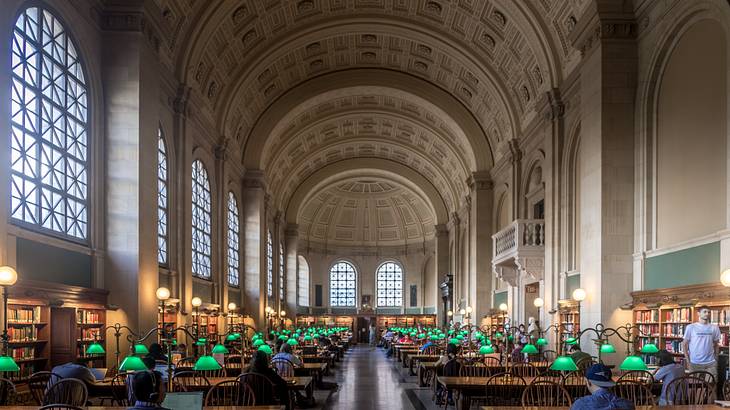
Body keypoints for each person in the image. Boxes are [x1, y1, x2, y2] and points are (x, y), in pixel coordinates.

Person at [682, 305, 721, 381]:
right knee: (694, 388)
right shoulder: (691, 327)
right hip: (694, 363)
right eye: (705, 312)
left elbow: (716, 344)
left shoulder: (714, 327)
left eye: (708, 312)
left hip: (710, 363)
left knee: (711, 387)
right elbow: (684, 344)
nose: (707, 314)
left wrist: (716, 358)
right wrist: (688, 361)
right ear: (698, 313)